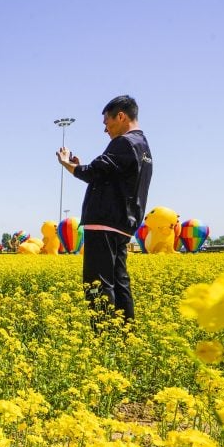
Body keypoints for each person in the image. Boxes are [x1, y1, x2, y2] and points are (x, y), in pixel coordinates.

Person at [56, 95, 152, 321]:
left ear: (121, 116)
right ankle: (125, 335)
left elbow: (94, 173)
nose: (105, 130)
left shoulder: (124, 142)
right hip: (123, 224)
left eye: (107, 123)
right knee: (120, 282)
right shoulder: (143, 146)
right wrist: (80, 166)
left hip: (104, 221)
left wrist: (67, 164)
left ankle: (103, 334)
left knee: (97, 283)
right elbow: (109, 174)